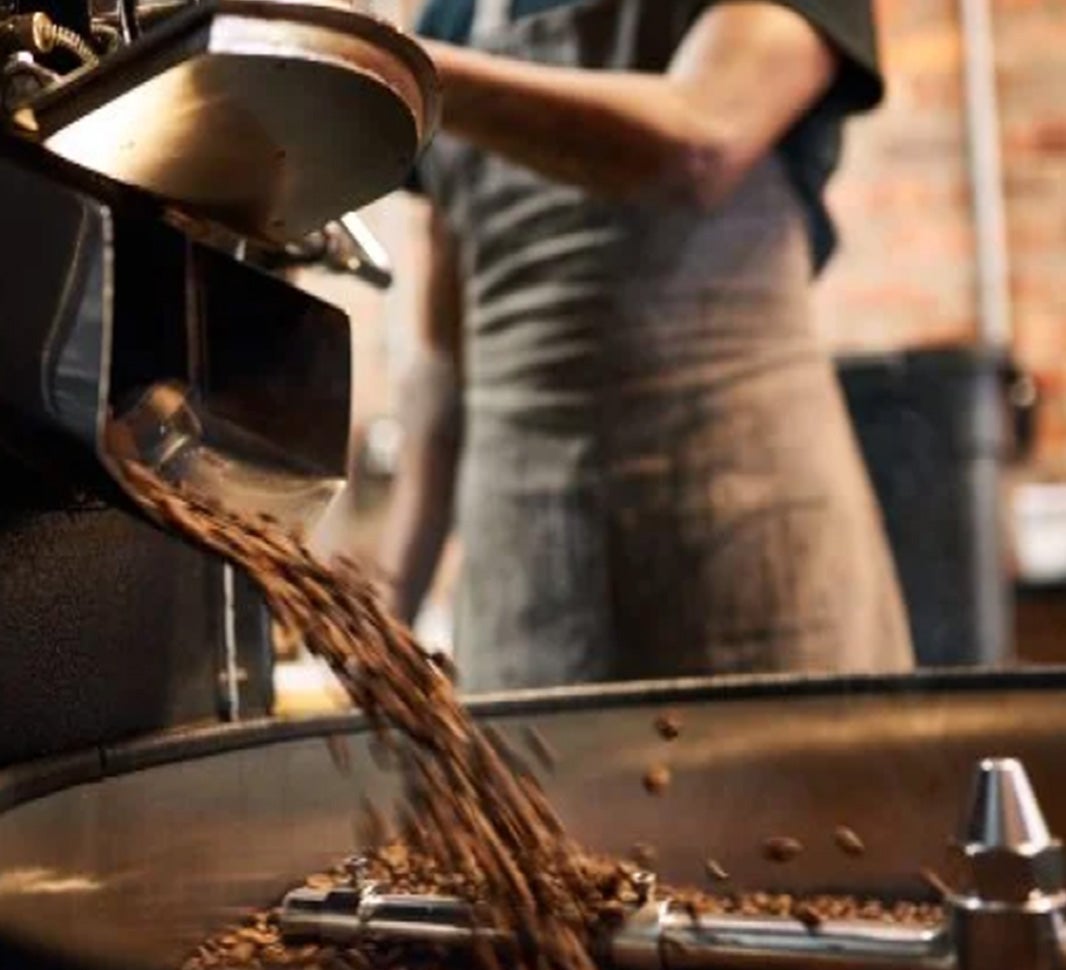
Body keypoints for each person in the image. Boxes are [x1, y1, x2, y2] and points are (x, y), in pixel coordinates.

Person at [378, 0, 914, 692]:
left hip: (742, 540)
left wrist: (393, 67)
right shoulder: (453, 19)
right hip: (524, 568)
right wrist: (384, 610)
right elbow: (447, 357)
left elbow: (702, 139)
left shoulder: (426, 58)